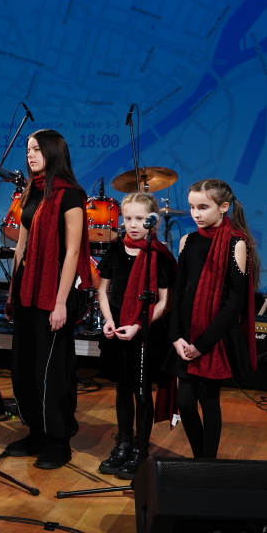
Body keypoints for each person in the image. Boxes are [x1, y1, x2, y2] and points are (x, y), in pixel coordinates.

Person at [3, 129, 92, 469]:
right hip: (27, 289)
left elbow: (72, 253)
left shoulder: (71, 195)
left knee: (51, 369)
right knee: (25, 364)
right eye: (28, 149)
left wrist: (60, 302)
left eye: (37, 149)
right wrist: (12, 291)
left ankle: (58, 439)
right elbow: (21, 246)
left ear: (53, 152)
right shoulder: (32, 191)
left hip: (53, 291)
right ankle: (37, 432)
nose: (30, 154)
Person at [164, 178, 258, 459]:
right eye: (192, 207)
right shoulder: (188, 241)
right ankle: (200, 459)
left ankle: (207, 464)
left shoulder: (236, 243)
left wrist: (203, 344)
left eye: (203, 207)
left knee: (208, 399)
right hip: (186, 334)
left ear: (223, 207)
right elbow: (179, 293)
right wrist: (176, 336)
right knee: (185, 402)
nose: (196, 214)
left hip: (215, 337)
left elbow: (234, 303)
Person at [95, 192, 176, 479]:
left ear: (153, 221)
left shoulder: (157, 254)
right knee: (122, 388)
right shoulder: (116, 250)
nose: (133, 224)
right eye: (128, 218)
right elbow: (102, 290)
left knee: (141, 391)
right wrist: (108, 320)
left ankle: (141, 447)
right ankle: (124, 443)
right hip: (118, 327)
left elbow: (164, 301)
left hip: (144, 331)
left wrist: (139, 325)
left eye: (140, 219)